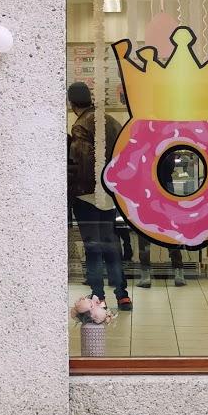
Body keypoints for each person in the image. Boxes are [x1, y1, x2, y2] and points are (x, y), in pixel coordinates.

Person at [67, 81, 131, 310]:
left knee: (93, 247)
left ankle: (98, 296)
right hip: (109, 194)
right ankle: (123, 294)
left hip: (87, 196)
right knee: (111, 244)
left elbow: (82, 165)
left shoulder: (81, 125)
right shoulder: (110, 121)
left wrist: (72, 191)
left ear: (72, 103)